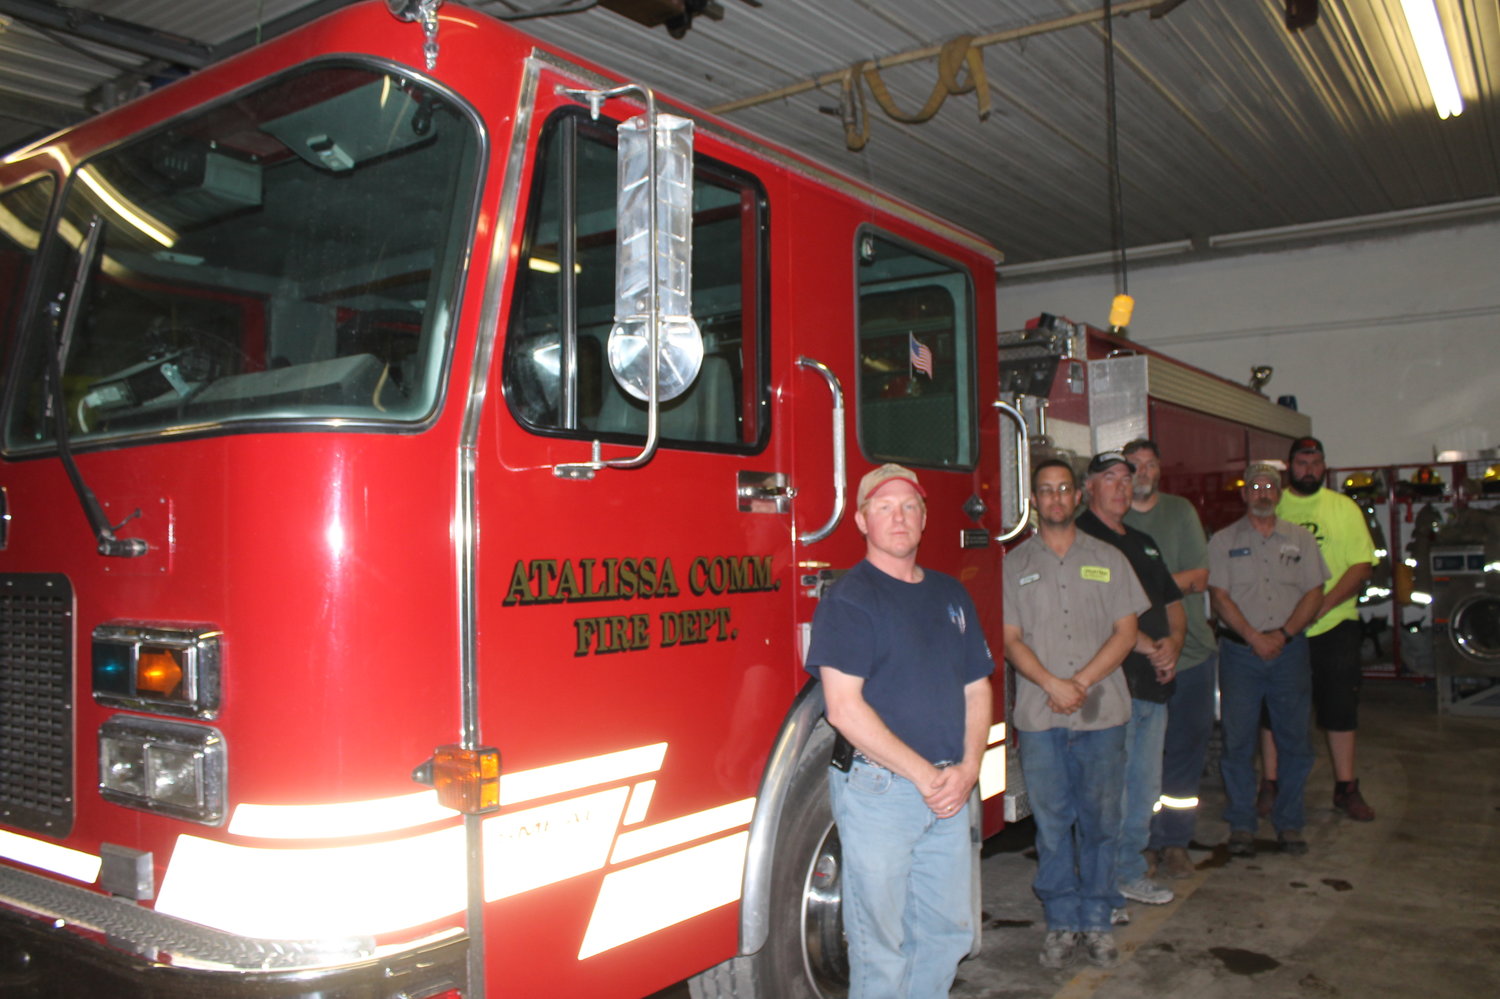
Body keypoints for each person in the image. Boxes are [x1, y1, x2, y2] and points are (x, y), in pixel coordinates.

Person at [806, 463, 994, 998]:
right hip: (881, 792)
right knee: (881, 947)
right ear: (863, 521)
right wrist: (924, 776)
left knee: (946, 934)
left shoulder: (951, 595)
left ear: (925, 518)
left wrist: (968, 770)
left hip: (948, 790)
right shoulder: (850, 600)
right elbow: (843, 708)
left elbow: (977, 688)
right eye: (884, 507)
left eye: (909, 506)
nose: (899, 517)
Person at [1003, 458, 1146, 970]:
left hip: (1101, 717)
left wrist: (1080, 683)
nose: (1056, 498)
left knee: (1103, 824)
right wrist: (1050, 685)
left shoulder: (1110, 558)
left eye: (1064, 489)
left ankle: (1098, 921)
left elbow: (1127, 632)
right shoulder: (1013, 566)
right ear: (1033, 502)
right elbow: (1009, 638)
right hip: (1040, 722)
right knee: (1052, 827)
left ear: (1077, 496)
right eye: (1046, 491)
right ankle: (1061, 922)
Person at [1075, 451, 1184, 918]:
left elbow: (1171, 600)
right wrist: (1147, 646)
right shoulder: (1081, 540)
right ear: (1089, 488)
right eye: (1110, 479)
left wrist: (1173, 645)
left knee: (1143, 785)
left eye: (1127, 479)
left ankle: (1127, 870)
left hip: (1153, 685)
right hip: (1110, 689)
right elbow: (1093, 611)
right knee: (1106, 790)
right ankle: (1101, 885)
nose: (1121, 487)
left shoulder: (1143, 542)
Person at [1207, 462, 1329, 857]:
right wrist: (1254, 637)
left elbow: (1315, 591)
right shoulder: (1223, 541)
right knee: (1237, 743)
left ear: (1279, 494)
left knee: (1296, 742)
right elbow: (1219, 597)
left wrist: (1284, 634)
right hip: (1240, 655)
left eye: (1269, 487)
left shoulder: (1301, 540)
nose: (1262, 493)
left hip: (1290, 654)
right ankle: (1242, 822)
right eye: (1255, 486)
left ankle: (1289, 822)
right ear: (1244, 494)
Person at [1260, 436, 1380, 821]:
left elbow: (1361, 565)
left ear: (1324, 466)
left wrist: (1320, 607)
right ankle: (1270, 784)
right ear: (1288, 466)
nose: (1308, 469)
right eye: (1301, 462)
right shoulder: (1273, 507)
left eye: (1315, 463)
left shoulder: (1343, 508)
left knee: (1340, 708)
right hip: (1280, 629)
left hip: (1334, 625)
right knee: (1272, 710)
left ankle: (1346, 788)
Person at [1122, 439, 1216, 881]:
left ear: (1160, 469)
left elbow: (1199, 577)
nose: (1142, 472)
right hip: (1134, 662)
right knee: (1139, 761)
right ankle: (1143, 844)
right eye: (1133, 466)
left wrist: (1139, 589)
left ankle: (1175, 841)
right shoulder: (1110, 519)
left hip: (1192, 653)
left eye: (1149, 464)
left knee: (1183, 753)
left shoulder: (1180, 513)